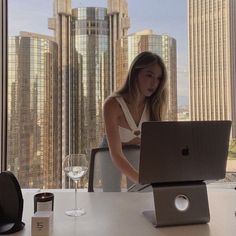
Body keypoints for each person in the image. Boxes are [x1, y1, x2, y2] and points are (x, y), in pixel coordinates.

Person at [100, 51, 168, 191]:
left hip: (137, 152)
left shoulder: (155, 104)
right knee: (111, 197)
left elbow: (156, 143)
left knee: (140, 197)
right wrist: (140, 180)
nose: (154, 83)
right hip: (111, 153)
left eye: (158, 78)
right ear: (135, 73)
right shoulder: (112, 104)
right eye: (149, 75)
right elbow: (116, 154)